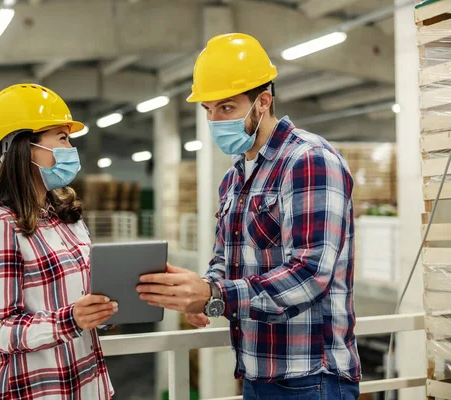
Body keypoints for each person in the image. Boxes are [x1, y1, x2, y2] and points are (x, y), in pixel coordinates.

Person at [137, 33, 361, 399]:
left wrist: (216, 294)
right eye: (207, 110)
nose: (214, 121)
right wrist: (200, 293)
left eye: (225, 108)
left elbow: (309, 275)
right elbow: (226, 259)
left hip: (311, 378)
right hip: (256, 373)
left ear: (263, 102)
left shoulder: (308, 160)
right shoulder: (235, 177)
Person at [0, 83, 116, 400]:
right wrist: (71, 320)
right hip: (37, 391)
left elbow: (81, 300)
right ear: (24, 147)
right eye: (61, 138)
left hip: (88, 386)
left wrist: (102, 313)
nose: (70, 148)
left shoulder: (66, 218)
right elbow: (0, 330)